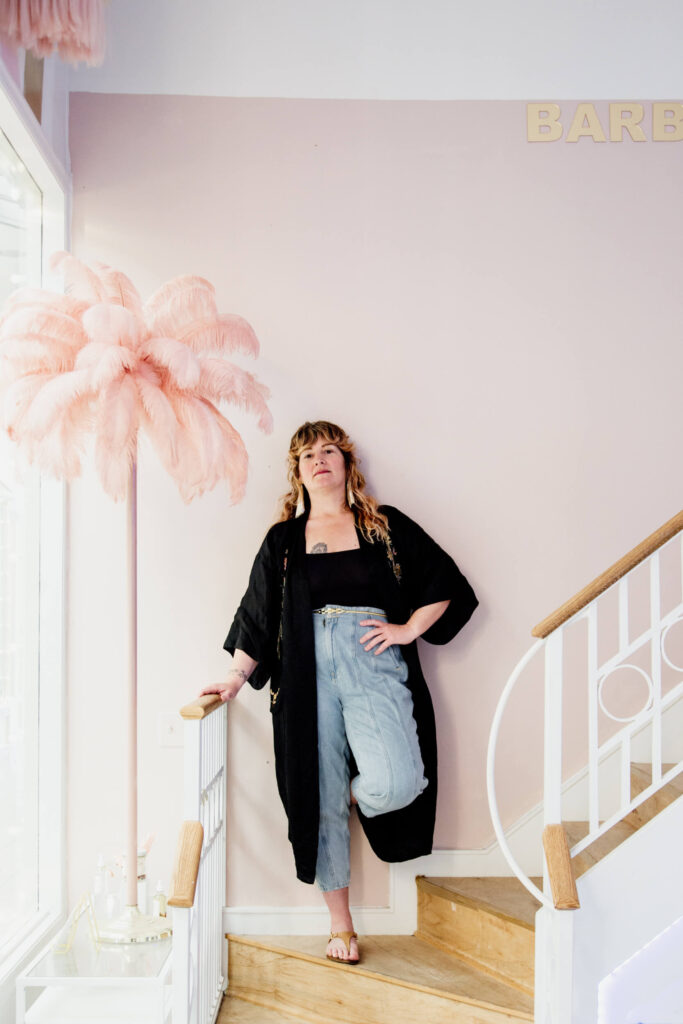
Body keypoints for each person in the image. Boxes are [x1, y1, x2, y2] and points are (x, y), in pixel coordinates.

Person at [200, 421, 477, 965]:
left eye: (328, 451)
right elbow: (257, 613)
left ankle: (345, 795)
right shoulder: (284, 539)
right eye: (306, 455)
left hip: (371, 656)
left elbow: (444, 583)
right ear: (297, 472)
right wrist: (236, 677)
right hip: (304, 668)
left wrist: (405, 630)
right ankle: (341, 924)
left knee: (401, 780)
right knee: (315, 786)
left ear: (347, 463)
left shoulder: (384, 526)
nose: (318, 460)